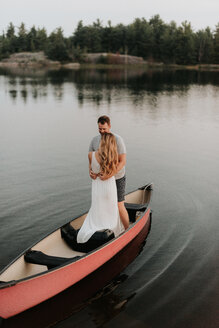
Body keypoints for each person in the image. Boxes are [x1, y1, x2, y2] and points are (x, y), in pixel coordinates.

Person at [77, 133, 124, 243]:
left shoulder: (90, 155)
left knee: (98, 207)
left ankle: (96, 226)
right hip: (109, 185)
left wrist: (95, 174)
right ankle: (115, 233)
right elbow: (115, 170)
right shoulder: (113, 156)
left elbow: (91, 171)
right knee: (111, 209)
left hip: (97, 186)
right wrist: (107, 175)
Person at [88, 115, 129, 230]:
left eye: (104, 129)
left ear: (109, 126)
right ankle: (107, 228)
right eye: (100, 129)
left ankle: (127, 229)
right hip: (102, 180)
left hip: (117, 177)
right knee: (104, 206)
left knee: (119, 204)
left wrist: (110, 175)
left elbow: (122, 161)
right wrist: (90, 172)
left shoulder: (117, 140)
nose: (102, 131)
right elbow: (91, 159)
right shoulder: (94, 140)